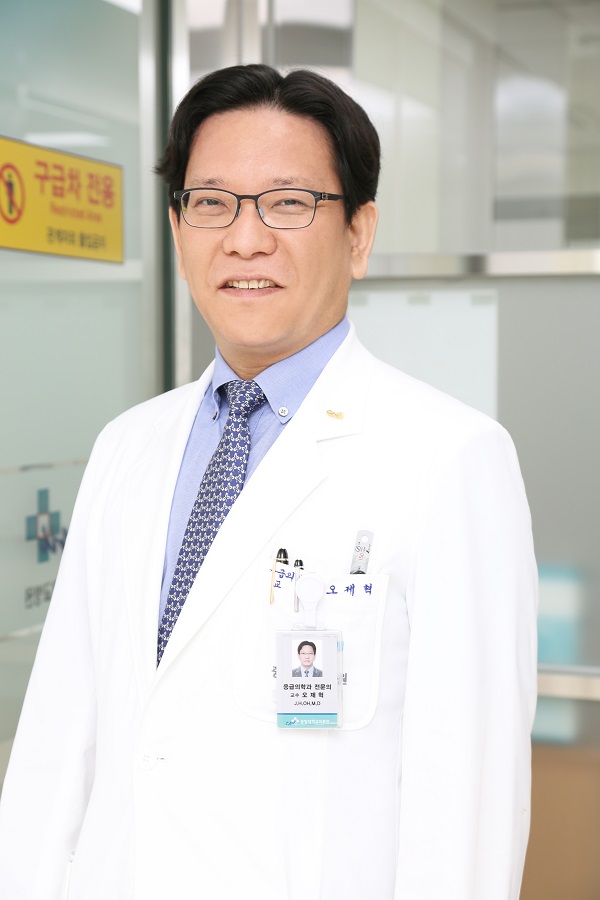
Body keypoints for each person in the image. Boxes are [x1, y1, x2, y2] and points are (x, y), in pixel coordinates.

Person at [0, 64, 537, 900]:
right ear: (177, 229)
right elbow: (56, 746)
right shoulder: (126, 447)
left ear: (358, 233)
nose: (245, 239)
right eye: (211, 203)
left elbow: (465, 807)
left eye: (288, 203)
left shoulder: (451, 457)